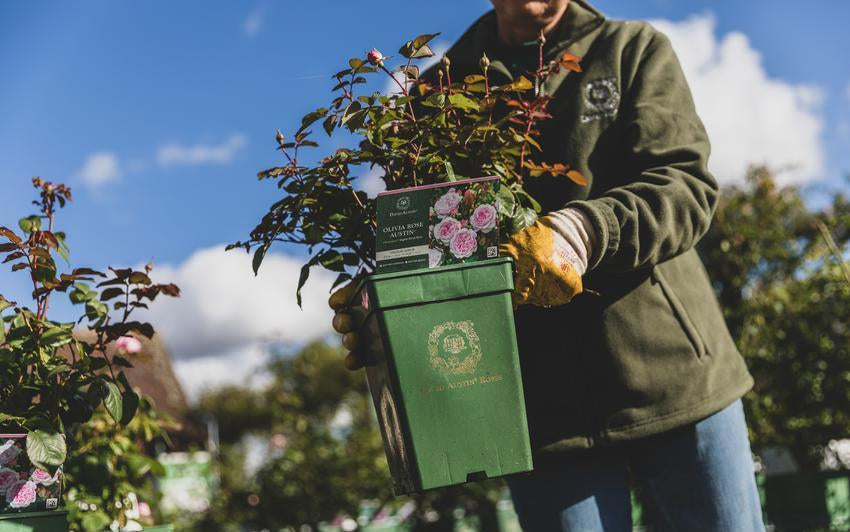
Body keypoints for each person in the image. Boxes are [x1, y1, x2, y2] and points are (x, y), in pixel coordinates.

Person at [331, 1, 765, 530]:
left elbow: (685, 187)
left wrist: (582, 231)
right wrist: (385, 311)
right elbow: (427, 241)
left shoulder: (630, 50)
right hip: (541, 405)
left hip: (674, 378)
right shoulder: (437, 94)